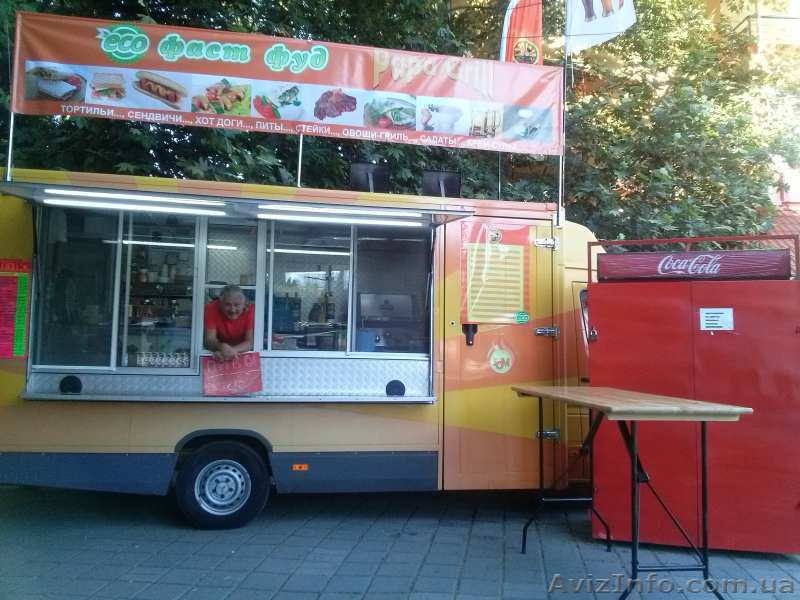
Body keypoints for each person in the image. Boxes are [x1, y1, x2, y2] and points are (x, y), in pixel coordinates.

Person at [203, 285, 254, 361]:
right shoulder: (211, 308)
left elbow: (249, 342)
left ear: (244, 304)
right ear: (220, 303)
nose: (232, 310)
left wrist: (229, 351)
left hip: (234, 351)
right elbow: (209, 340)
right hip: (218, 349)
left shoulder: (250, 309)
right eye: (227, 305)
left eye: (236, 305)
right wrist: (221, 347)